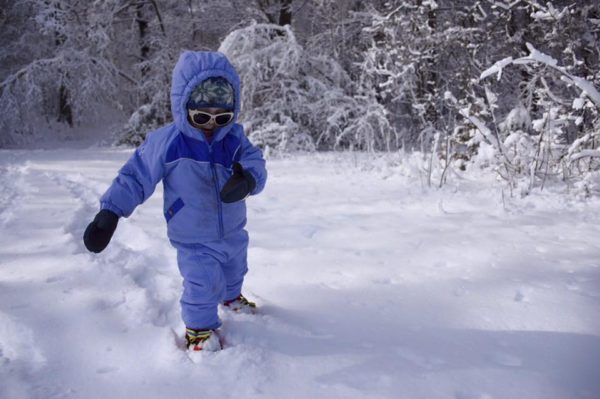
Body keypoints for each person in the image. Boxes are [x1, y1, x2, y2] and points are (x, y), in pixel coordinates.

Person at [82, 51, 267, 352]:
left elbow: (255, 161)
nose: (211, 125)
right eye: (202, 116)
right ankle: (199, 329)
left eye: (221, 117)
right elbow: (135, 176)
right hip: (193, 234)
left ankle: (232, 297)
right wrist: (110, 212)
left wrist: (248, 178)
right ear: (184, 105)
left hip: (233, 228)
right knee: (202, 282)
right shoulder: (167, 142)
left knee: (236, 268)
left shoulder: (234, 138)